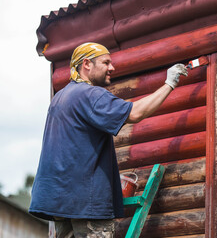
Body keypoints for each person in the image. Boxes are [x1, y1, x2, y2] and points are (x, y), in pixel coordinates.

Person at [29, 42, 188, 237]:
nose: (112, 68)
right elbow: (136, 113)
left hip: (58, 202)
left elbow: (73, 149)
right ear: (86, 64)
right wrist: (169, 84)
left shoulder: (60, 98)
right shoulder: (91, 94)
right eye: (106, 62)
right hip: (86, 202)